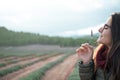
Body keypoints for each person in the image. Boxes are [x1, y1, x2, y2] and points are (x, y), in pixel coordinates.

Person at [76, 12, 120, 80]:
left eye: (105, 27)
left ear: (117, 32)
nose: (99, 30)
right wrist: (87, 63)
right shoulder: (101, 56)